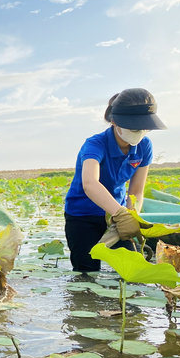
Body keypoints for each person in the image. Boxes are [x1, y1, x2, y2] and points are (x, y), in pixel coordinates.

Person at [64, 88, 167, 271]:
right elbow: (90, 184)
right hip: (83, 215)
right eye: (134, 127)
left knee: (133, 268)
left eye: (144, 127)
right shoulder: (95, 145)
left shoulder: (144, 146)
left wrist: (130, 216)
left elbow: (136, 191)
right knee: (87, 271)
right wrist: (121, 214)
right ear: (114, 121)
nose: (139, 132)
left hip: (116, 215)